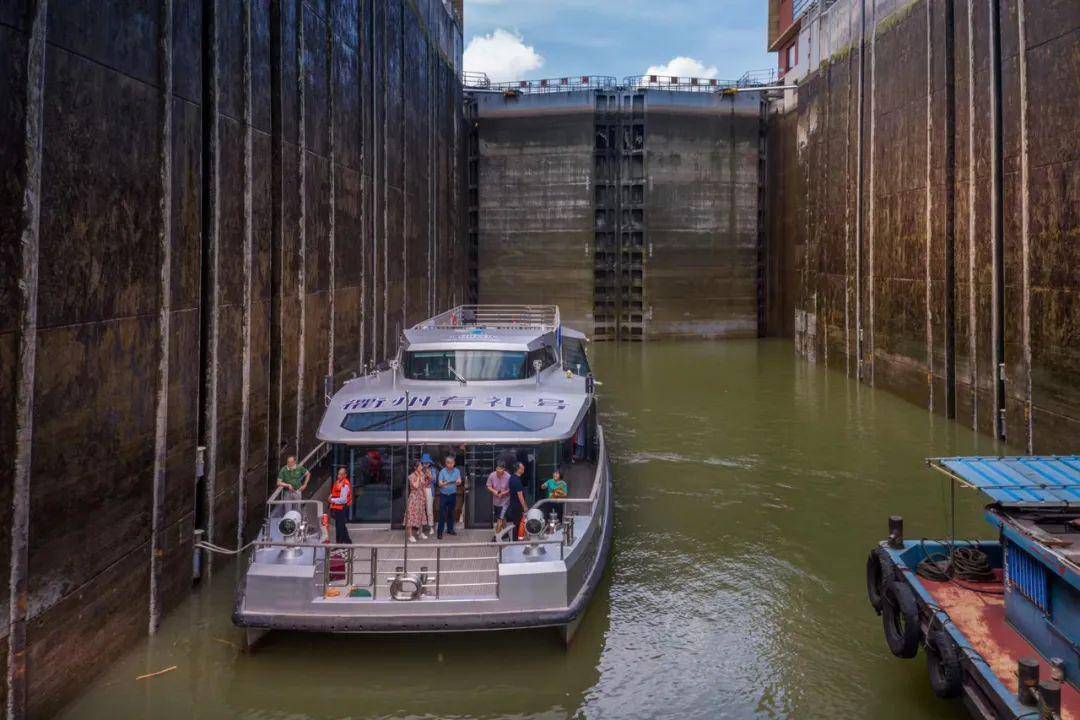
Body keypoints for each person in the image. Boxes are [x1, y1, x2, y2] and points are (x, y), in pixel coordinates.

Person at [436, 455, 462, 539]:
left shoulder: (457, 471)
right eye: (448, 463)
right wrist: (445, 483)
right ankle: (440, 532)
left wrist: (458, 482)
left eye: (451, 463)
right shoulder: (442, 471)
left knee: (451, 513)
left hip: (452, 495)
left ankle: (450, 529)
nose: (449, 465)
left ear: (454, 463)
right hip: (444, 495)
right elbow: (440, 484)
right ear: (445, 463)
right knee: (442, 514)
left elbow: (459, 481)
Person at [404, 460, 429, 543]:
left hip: (421, 497)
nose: (421, 467)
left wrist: (425, 498)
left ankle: (420, 533)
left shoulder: (423, 475)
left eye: (421, 466)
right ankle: (410, 535)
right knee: (411, 516)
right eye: (419, 466)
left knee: (421, 515)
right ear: (415, 467)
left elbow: (424, 487)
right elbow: (416, 486)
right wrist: (418, 477)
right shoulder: (411, 476)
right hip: (414, 497)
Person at [504, 462, 529, 540]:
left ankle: (515, 539)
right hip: (517, 506)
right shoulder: (516, 481)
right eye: (522, 467)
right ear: (518, 469)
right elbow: (520, 495)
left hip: (514, 504)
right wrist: (524, 507)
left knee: (516, 523)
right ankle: (516, 541)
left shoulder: (512, 478)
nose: (524, 468)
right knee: (518, 524)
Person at [486, 461, 511, 537]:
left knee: (500, 518)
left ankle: (496, 537)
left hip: (505, 500)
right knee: (501, 517)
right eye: (497, 470)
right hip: (496, 500)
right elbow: (488, 486)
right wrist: (495, 492)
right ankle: (506, 533)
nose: (498, 472)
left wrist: (503, 493)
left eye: (500, 470)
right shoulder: (492, 475)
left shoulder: (508, 477)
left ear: (504, 469)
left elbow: (511, 489)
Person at [328, 467, 353, 545]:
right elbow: (334, 492)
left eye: (341, 474)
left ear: (345, 475)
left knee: (340, 527)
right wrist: (331, 497)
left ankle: (341, 543)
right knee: (340, 526)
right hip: (337, 507)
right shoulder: (338, 482)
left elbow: (343, 500)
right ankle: (346, 542)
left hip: (342, 507)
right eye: (338, 474)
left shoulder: (345, 485)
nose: (339, 476)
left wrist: (331, 500)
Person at [421, 453, 436, 535]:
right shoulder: (419, 470)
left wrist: (429, 474)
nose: (426, 464)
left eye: (427, 463)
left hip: (430, 490)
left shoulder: (433, 470)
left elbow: (434, 481)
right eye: (424, 463)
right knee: (421, 510)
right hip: (421, 491)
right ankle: (421, 527)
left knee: (429, 510)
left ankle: (431, 527)